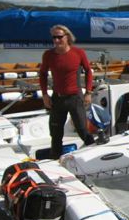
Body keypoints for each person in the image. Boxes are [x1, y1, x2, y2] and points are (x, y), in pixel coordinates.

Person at [40, 24, 95, 159]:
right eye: (54, 38)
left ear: (67, 37)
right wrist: (45, 95)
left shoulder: (78, 53)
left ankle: (94, 155)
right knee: (55, 133)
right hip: (57, 99)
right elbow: (42, 74)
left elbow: (88, 71)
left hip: (75, 98)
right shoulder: (48, 55)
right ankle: (55, 160)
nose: (56, 40)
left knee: (83, 130)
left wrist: (88, 92)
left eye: (59, 37)